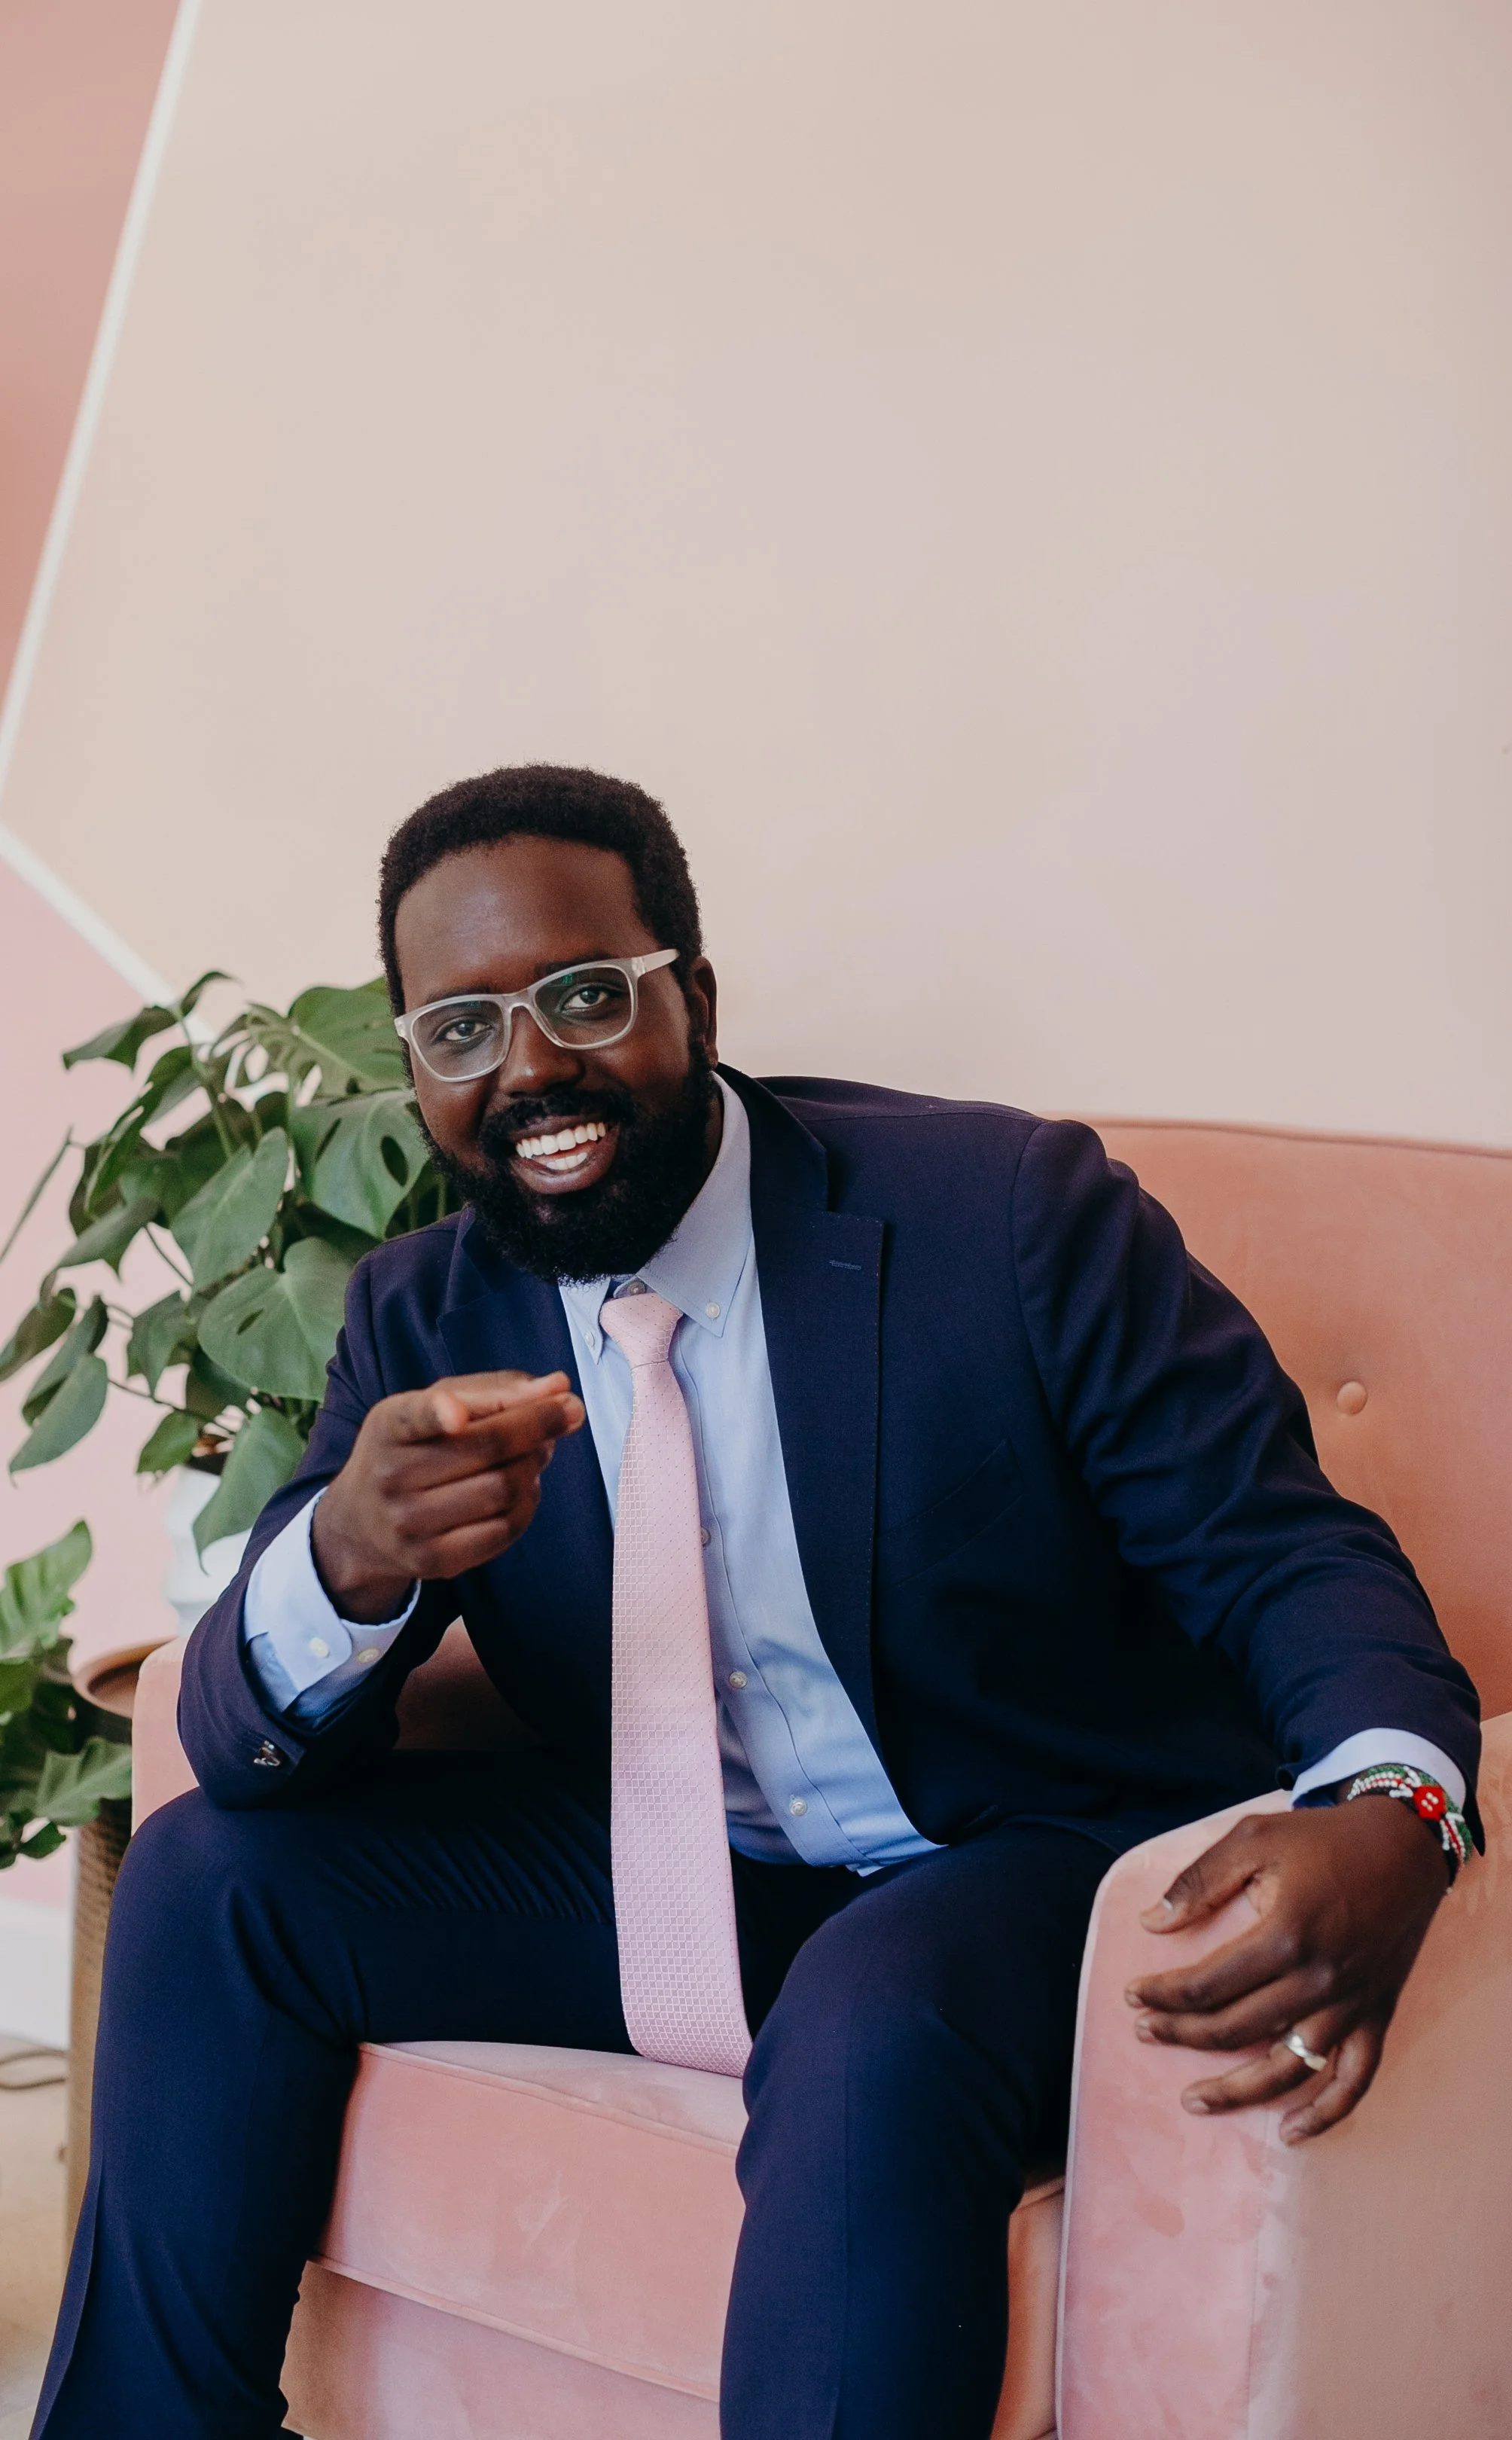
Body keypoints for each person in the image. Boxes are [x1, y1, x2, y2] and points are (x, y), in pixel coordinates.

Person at [35, 764, 1478, 2440]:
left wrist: (1392, 1796)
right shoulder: (424, 1309)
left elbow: (1279, 1549)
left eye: (584, 997)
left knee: (869, 2014)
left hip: (1009, 1848)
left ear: (693, 996)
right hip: (678, 1861)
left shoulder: (1002, 1217)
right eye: (461, 1029)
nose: (530, 1069)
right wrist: (348, 1555)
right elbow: (237, 1738)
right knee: (212, 1878)